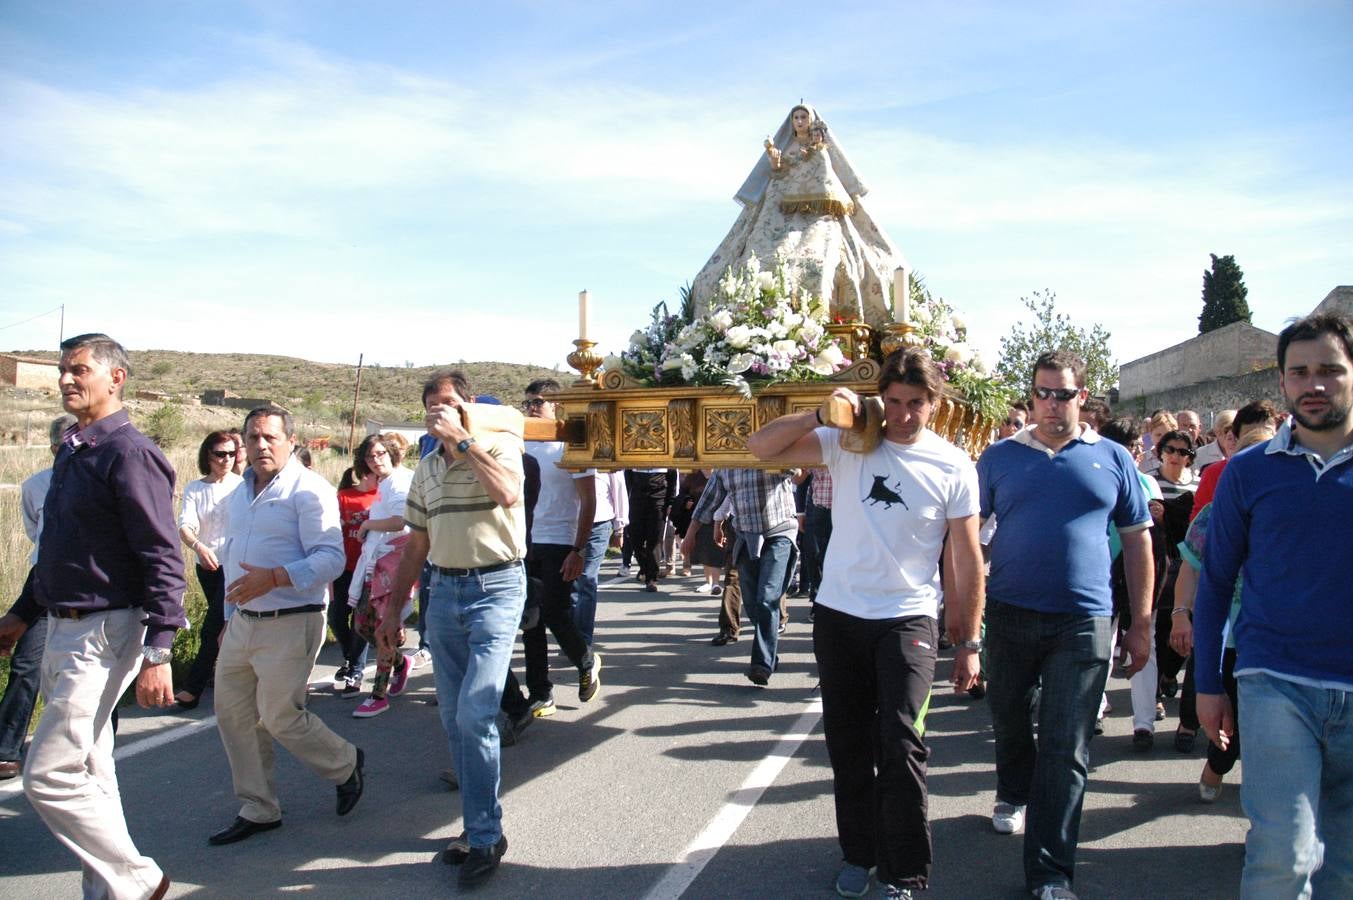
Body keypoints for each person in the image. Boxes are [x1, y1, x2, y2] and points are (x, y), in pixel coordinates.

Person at [746, 348, 986, 899]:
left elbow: (966, 556)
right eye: (894, 402)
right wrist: (820, 414)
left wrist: (969, 640)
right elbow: (759, 446)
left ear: (935, 403)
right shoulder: (850, 441)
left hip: (907, 619)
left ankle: (905, 872)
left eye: (915, 404)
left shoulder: (952, 463)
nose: (903, 415)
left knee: (900, 745)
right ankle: (859, 853)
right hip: (839, 615)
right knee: (848, 746)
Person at [0, 333, 185, 900]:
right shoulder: (76, 450)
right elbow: (61, 548)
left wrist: (160, 650)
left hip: (104, 633)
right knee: (92, 771)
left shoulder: (129, 453)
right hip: (62, 626)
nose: (65, 380)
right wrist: (21, 615)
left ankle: (140, 881)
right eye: (62, 370)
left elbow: (161, 554)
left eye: (78, 370)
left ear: (115, 378)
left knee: (50, 774)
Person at [976, 350, 1154, 900]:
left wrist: (1143, 623)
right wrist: (962, 615)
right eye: (1043, 393)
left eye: (1064, 394)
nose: (1052, 405)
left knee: (1066, 746)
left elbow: (1137, 540)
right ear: (1031, 396)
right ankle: (1013, 789)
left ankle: (1050, 875)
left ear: (1083, 396)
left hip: (1083, 621)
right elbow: (968, 537)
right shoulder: (999, 457)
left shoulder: (1115, 459)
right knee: (1008, 720)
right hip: (1008, 615)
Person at [1194, 313, 1353, 898]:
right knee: (1281, 856)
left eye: (1329, 371)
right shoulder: (1246, 473)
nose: (1314, 384)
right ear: (1282, 383)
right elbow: (1214, 580)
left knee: (1347, 868)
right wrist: (1208, 683)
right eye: (1299, 372)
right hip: (1274, 680)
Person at [378, 370, 527, 888]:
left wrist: (464, 442)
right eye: (430, 406)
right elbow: (415, 545)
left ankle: (486, 836)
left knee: (475, 712)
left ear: (468, 407)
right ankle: (476, 826)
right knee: (451, 717)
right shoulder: (424, 470)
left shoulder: (499, 448)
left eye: (447, 403)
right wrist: (392, 611)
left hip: (497, 587)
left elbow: (508, 493)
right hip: (442, 593)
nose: (437, 412)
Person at [209, 406, 362, 846]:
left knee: (279, 717)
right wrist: (227, 618)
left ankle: (347, 764)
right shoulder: (239, 492)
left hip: (291, 618)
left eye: (270, 438)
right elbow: (233, 559)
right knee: (234, 716)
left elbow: (331, 559)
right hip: (243, 622)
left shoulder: (309, 489)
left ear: (290, 441)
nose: (260, 446)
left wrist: (274, 577)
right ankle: (259, 808)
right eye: (252, 438)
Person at [692, 103, 907, 328]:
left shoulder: (821, 148)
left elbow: (824, 176)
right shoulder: (786, 148)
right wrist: (776, 163)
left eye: (804, 117)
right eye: (796, 117)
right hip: (779, 211)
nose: (800, 121)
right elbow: (780, 173)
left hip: (820, 215)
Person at [1168, 420, 1274, 803]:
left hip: (1274, 641)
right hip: (1227, 638)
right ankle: (1217, 765)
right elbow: (1189, 570)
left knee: (1271, 734)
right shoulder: (1212, 515)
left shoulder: (1286, 512)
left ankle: (1264, 819)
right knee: (1230, 728)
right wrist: (1180, 613)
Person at [520, 379, 603, 716]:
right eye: (527, 403)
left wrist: (578, 549)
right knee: (530, 621)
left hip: (560, 541)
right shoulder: (520, 444)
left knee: (554, 612)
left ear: (556, 405)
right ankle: (541, 692)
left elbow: (589, 501)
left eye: (538, 402)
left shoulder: (571, 444)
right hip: (525, 542)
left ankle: (586, 661)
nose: (532, 409)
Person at [0, 413, 76, 780]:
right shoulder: (35, 486)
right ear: (52, 448)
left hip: (87, 594)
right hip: (42, 586)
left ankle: (87, 747)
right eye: (65, 443)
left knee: (85, 672)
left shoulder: (100, 483)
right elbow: (36, 534)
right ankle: (7, 748)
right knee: (26, 666)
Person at [684, 465, 798, 686]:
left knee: (768, 598)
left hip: (778, 532)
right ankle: (769, 652)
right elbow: (708, 500)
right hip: (745, 536)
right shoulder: (726, 464)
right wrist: (690, 535)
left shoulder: (770, 449)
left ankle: (761, 665)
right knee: (754, 604)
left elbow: (796, 469)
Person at [173, 430, 244, 709]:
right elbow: (185, 525)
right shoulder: (195, 488)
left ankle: (192, 688)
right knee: (228, 624)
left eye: (231, 453)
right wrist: (199, 547)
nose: (226, 459)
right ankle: (234, 676)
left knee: (215, 624)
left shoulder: (242, 486)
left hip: (235, 565)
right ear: (208, 456)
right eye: (220, 454)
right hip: (207, 566)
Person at [348, 432, 416, 717]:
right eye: (369, 456)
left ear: (392, 453)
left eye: (380, 454)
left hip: (395, 563)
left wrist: (368, 525)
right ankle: (400, 663)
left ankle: (379, 694)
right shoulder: (386, 483)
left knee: (381, 628)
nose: (375, 461)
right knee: (361, 623)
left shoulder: (400, 481)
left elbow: (403, 519)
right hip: (377, 562)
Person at [332, 465, 378, 696]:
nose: (378, 478)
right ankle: (351, 656)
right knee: (336, 617)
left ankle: (356, 671)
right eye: (374, 474)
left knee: (359, 620)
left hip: (368, 569)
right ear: (364, 473)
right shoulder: (344, 496)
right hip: (343, 567)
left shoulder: (381, 497)